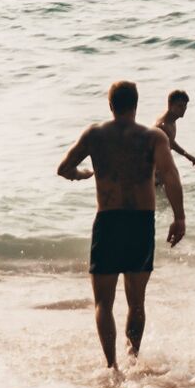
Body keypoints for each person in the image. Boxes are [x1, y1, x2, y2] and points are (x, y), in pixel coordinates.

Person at [57, 81, 186, 370]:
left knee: (103, 302)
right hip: (141, 223)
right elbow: (170, 175)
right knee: (136, 302)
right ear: (136, 105)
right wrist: (179, 217)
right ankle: (133, 358)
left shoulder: (95, 135)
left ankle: (112, 366)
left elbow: (63, 168)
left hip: (108, 221)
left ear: (111, 105)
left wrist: (82, 175)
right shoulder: (154, 137)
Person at [154, 89, 195, 173]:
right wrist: (188, 156)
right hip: (153, 166)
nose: (183, 109)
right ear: (170, 106)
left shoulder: (172, 119)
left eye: (185, 106)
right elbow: (172, 144)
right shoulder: (162, 125)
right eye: (180, 106)